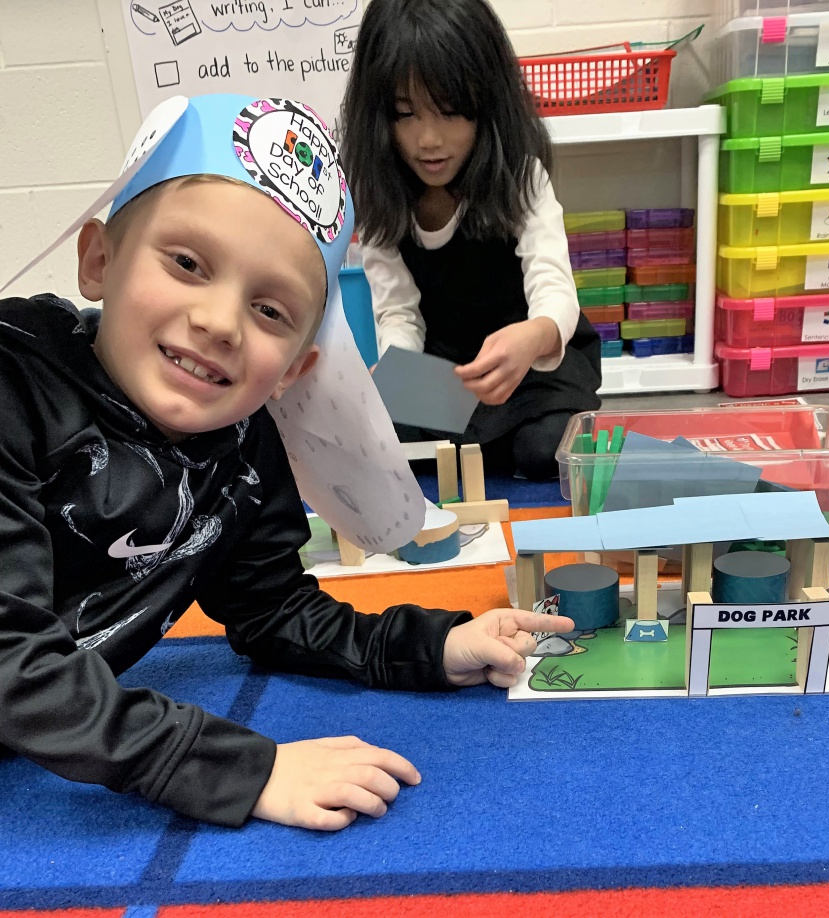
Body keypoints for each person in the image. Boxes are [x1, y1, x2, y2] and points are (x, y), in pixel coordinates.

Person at [0, 93, 572, 833]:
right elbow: (11, 657)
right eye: (186, 263)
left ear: (296, 367)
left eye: (270, 310)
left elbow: (274, 612)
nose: (217, 322)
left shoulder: (243, 444)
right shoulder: (15, 384)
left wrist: (436, 645)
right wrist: (242, 767)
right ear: (99, 259)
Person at [341, 0, 603, 482]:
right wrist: (396, 371)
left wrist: (535, 335)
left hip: (533, 365)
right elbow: (398, 313)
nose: (429, 140)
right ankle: (475, 447)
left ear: (487, 103)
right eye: (405, 115)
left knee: (545, 448)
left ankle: (485, 447)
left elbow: (554, 289)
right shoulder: (382, 197)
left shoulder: (520, 177)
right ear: (379, 117)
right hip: (449, 373)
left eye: (451, 112)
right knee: (377, 429)